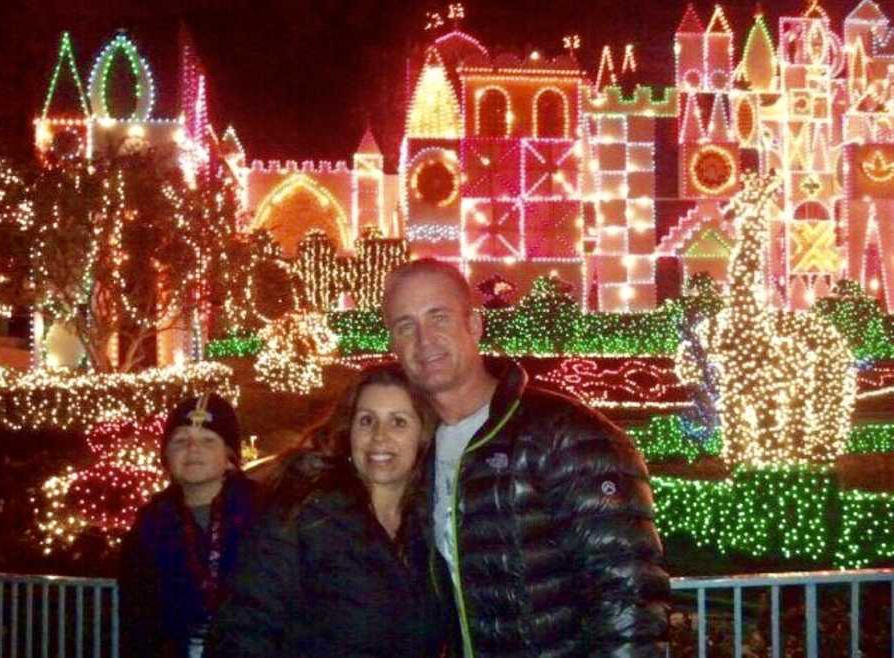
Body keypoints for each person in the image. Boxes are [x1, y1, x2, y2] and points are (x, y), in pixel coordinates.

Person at [382, 258, 671, 658]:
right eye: (405, 326)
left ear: (475, 326)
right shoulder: (419, 452)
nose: (424, 339)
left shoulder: (562, 434)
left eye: (439, 317)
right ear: (394, 345)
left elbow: (628, 597)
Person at [206, 364, 446, 658]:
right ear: (349, 432)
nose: (379, 436)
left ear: (423, 434)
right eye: (367, 421)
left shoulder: (431, 527)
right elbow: (244, 628)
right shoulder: (303, 515)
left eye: (398, 422)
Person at [119, 392, 258, 658]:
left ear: (230, 456)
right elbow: (137, 617)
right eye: (181, 440)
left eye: (208, 440)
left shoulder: (266, 512)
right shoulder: (150, 524)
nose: (193, 449)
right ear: (166, 456)